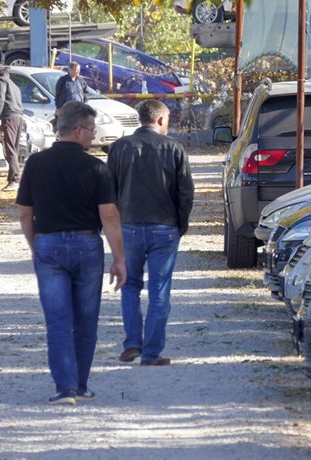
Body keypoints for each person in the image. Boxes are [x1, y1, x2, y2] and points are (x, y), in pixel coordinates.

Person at [16, 101, 127, 405]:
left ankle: (64, 388)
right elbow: (109, 216)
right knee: (86, 319)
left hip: (48, 245)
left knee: (58, 320)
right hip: (87, 245)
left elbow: (26, 214)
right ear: (78, 131)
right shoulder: (96, 167)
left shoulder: (35, 164)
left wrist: (34, 246)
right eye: (91, 130)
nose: (93, 136)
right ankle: (80, 384)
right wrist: (119, 258)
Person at [107, 99, 194, 366]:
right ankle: (151, 353)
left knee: (129, 286)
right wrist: (180, 224)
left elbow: (108, 191)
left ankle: (132, 342)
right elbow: (185, 192)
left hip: (128, 226)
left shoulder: (119, 148)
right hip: (164, 227)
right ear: (160, 120)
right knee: (159, 291)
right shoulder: (175, 148)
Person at [0, 66, 23, 191]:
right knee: (14, 149)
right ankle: (12, 179)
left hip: (9, 118)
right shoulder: (15, 86)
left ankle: (15, 179)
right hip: (19, 118)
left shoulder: (1, 81)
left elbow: (0, 99)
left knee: (9, 150)